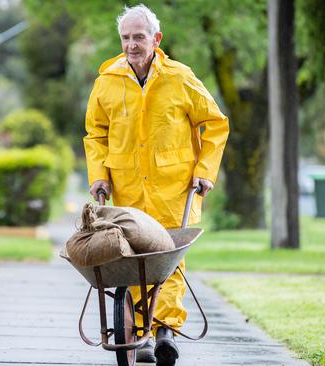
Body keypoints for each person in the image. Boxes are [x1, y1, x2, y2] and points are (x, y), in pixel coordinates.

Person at [83, 4, 229, 365]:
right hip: (129, 188)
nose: (131, 45)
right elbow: (95, 134)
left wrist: (205, 172)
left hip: (176, 188)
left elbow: (216, 123)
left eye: (139, 37)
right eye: (126, 38)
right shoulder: (107, 82)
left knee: (168, 260)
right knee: (131, 258)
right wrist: (99, 175)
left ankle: (164, 330)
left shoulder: (180, 77)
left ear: (156, 39)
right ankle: (142, 331)